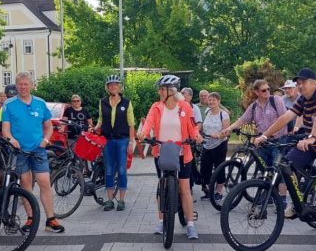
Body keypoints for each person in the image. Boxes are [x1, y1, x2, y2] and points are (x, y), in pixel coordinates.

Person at [255, 68, 316, 215]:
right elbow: (285, 118)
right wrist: (265, 136)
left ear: (314, 83)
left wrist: (312, 137)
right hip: (313, 145)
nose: (299, 86)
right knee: (286, 165)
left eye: (303, 82)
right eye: (298, 83)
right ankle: (297, 202)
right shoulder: (303, 100)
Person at [1, 72, 66, 233]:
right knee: (25, 183)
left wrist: (45, 140)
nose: (23, 87)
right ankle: (30, 218)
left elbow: (49, 126)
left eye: (25, 84)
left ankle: (50, 220)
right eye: (20, 84)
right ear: (16, 86)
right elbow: (5, 130)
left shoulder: (40, 103)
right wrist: (11, 139)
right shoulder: (9, 104)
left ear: (31, 85)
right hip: (19, 150)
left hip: (38, 149)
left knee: (44, 182)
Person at [139, 75, 203, 239]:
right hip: (162, 152)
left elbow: (192, 126)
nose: (159, 92)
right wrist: (143, 133)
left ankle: (190, 224)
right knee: (162, 187)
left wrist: (196, 136)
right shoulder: (156, 107)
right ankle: (161, 221)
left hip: (183, 152)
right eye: (159, 89)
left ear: (171, 90)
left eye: (162, 89)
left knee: (184, 189)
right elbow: (149, 123)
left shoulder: (185, 107)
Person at [219, 79, 289, 206]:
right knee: (265, 170)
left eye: (268, 89)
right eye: (263, 90)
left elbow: (284, 118)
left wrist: (270, 134)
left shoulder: (276, 100)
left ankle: (282, 198)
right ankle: (270, 195)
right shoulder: (254, 106)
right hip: (262, 142)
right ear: (256, 92)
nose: (267, 92)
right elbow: (242, 120)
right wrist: (229, 128)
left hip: (277, 140)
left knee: (278, 169)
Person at [92, 75, 136, 211]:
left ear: (119, 87)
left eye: (115, 84)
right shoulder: (103, 102)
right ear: (107, 88)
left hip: (122, 140)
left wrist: (131, 142)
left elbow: (131, 124)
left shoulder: (126, 103)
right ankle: (110, 200)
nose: (113, 87)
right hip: (107, 140)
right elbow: (100, 119)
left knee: (122, 170)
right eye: (110, 85)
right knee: (109, 170)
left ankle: (121, 200)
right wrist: (94, 128)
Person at [199, 92, 230, 202]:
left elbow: (226, 131)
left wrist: (218, 135)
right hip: (207, 144)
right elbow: (204, 126)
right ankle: (210, 190)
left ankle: (219, 192)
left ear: (218, 101)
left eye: (213, 100)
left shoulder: (223, 114)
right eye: (210, 100)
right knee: (204, 169)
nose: (211, 102)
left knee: (219, 168)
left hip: (219, 145)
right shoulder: (207, 111)